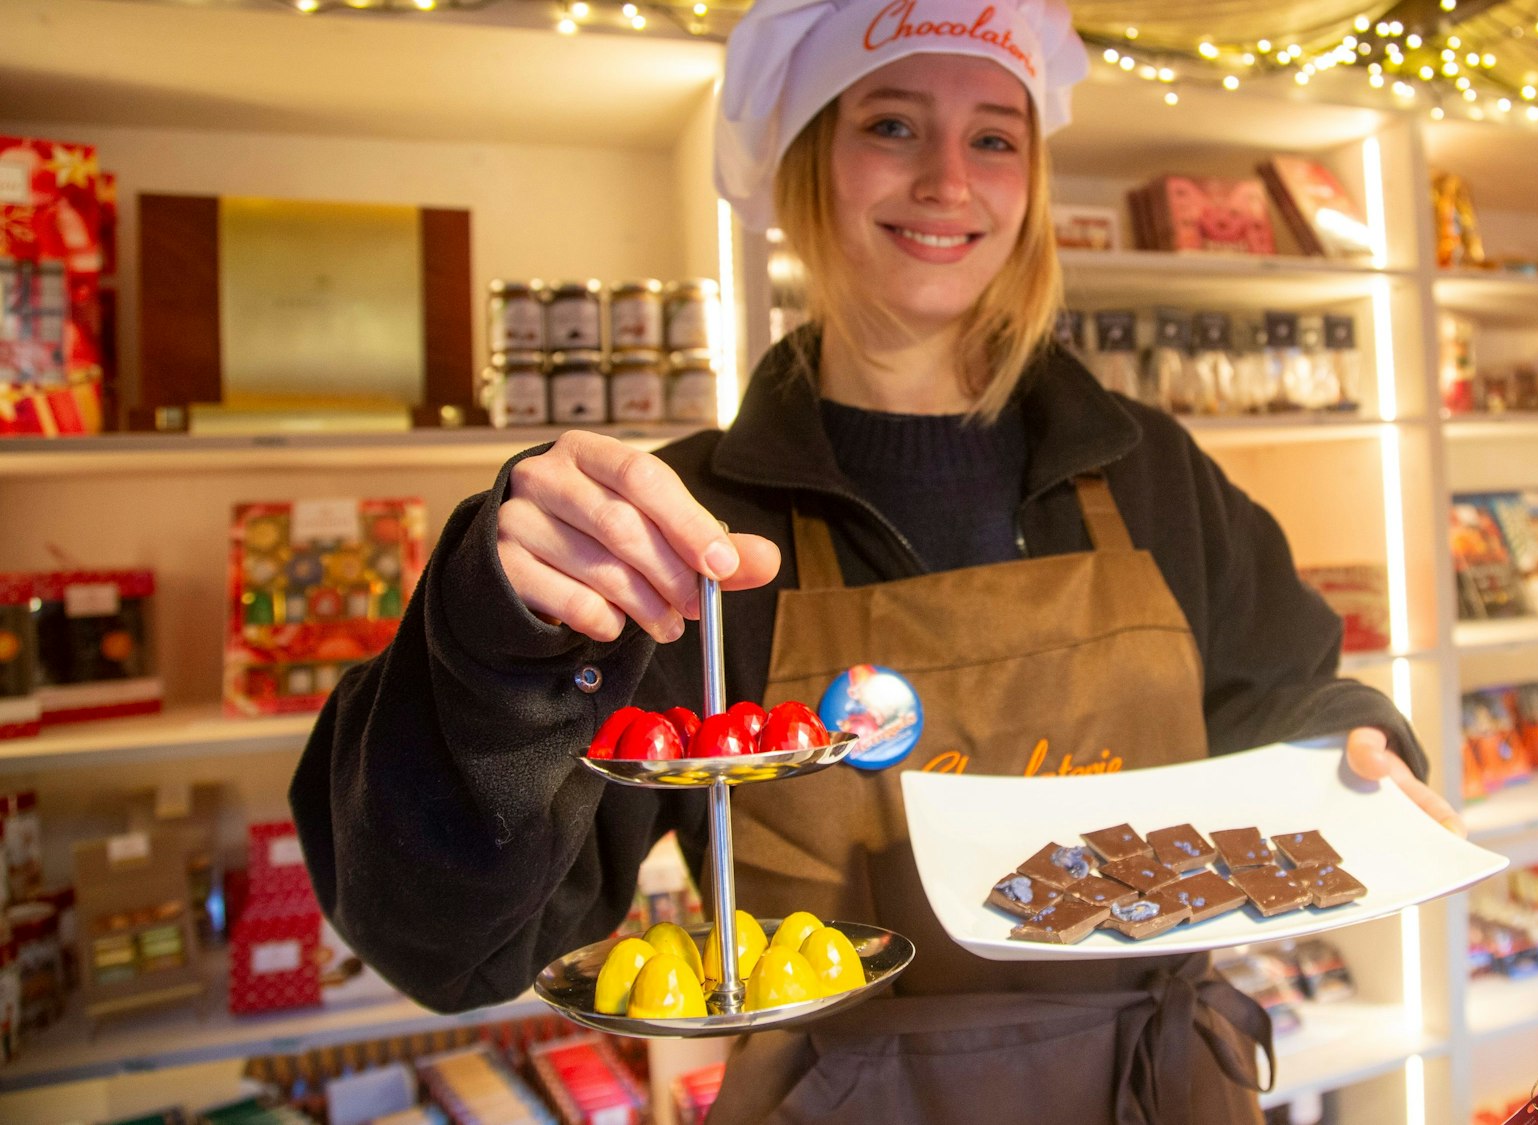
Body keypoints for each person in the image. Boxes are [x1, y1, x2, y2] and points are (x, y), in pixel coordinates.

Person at [291, 1, 1454, 1121]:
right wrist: (494, 641)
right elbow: (454, 948)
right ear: (805, 165)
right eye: (890, 124)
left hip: (1160, 1091)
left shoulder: (1147, 466)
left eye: (992, 138)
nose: (948, 181)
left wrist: (1346, 734)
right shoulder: (691, 528)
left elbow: (1279, 692)